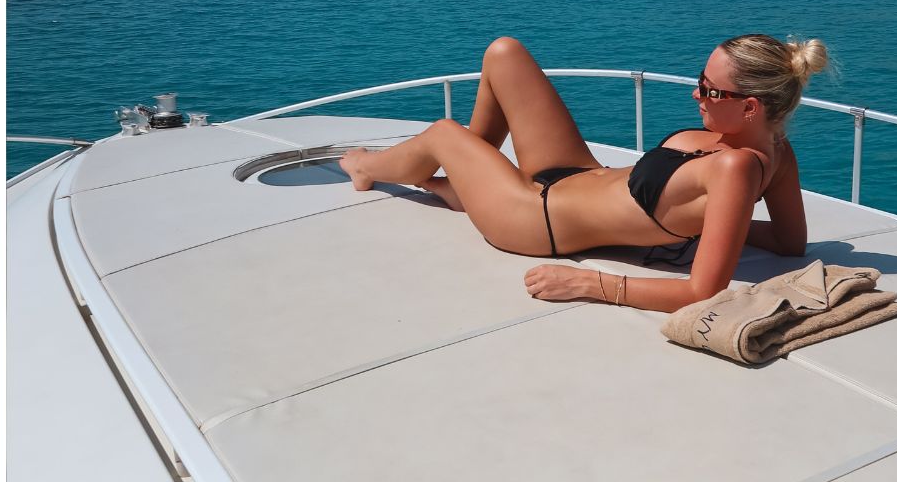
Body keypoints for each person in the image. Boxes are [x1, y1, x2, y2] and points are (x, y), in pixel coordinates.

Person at [337, 35, 824, 313]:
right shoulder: (777, 149)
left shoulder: (739, 167)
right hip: (573, 174)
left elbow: (702, 291)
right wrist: (718, 224)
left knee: (444, 132)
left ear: (752, 108)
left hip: (535, 220)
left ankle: (367, 168)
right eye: (700, 82)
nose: (696, 95)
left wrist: (590, 284)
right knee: (504, 53)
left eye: (710, 91)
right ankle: (469, 182)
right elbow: (787, 242)